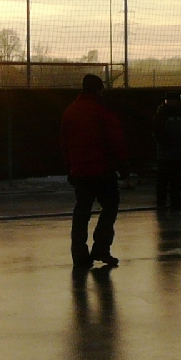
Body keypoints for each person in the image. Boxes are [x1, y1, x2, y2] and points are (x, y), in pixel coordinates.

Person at [61, 74, 128, 269]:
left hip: (80, 170)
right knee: (110, 206)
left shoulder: (71, 111)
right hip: (102, 169)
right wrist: (123, 167)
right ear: (99, 89)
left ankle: (79, 254)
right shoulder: (102, 111)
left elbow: (65, 144)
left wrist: (70, 168)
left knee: (82, 211)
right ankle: (101, 247)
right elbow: (116, 140)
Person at [152, 92, 181, 210]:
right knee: (171, 179)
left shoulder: (162, 113)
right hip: (171, 151)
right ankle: (173, 203)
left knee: (167, 180)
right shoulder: (176, 114)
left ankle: (163, 203)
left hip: (168, 152)